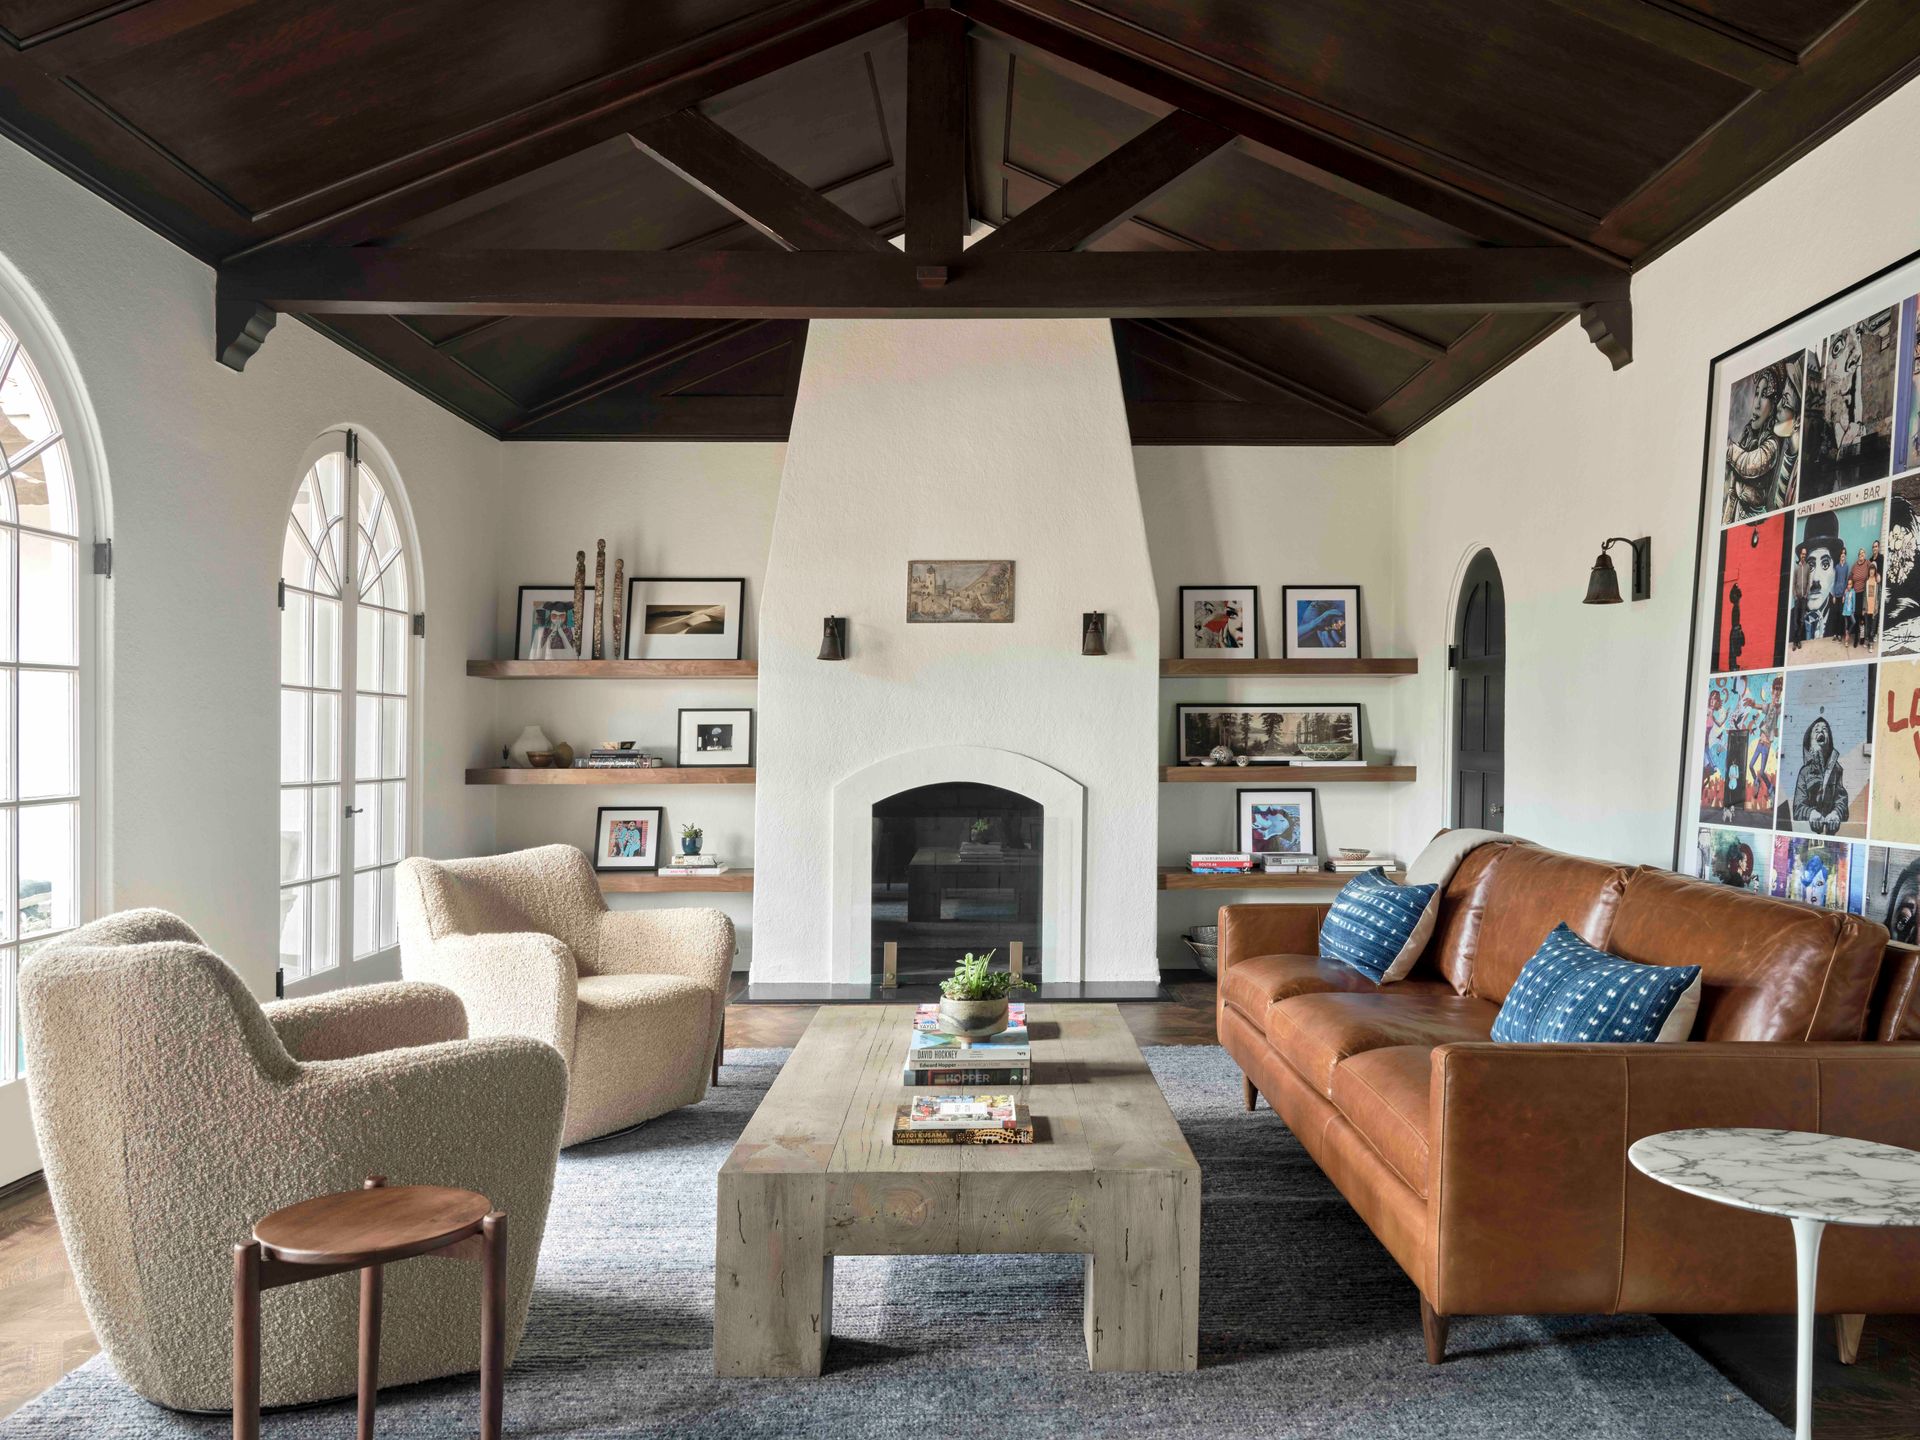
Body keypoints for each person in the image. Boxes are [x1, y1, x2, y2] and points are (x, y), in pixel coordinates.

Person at [1792, 716, 1849, 834]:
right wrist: (1810, 813)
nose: (1821, 731)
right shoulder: (1805, 772)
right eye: (1816, 730)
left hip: (1830, 835)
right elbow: (1798, 807)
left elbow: (1841, 801)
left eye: (1825, 729)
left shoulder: (1836, 770)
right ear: (1810, 740)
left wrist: (1836, 813)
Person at [1797, 513, 1848, 644]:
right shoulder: (1792, 617)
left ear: (1834, 572)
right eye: (1811, 566)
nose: (1816, 579)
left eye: (1825, 565)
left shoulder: (1841, 614)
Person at [1790, 543, 1810, 651]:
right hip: (1797, 598)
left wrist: (1806, 594)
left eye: (1805, 554)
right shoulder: (1796, 568)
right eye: (1802, 554)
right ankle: (1795, 641)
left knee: (1802, 620)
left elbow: (1808, 583)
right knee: (1795, 621)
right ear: (1800, 555)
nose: (1803, 555)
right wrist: (1794, 595)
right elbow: (1793, 583)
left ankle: (1798, 641)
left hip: (1804, 599)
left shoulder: (1807, 567)